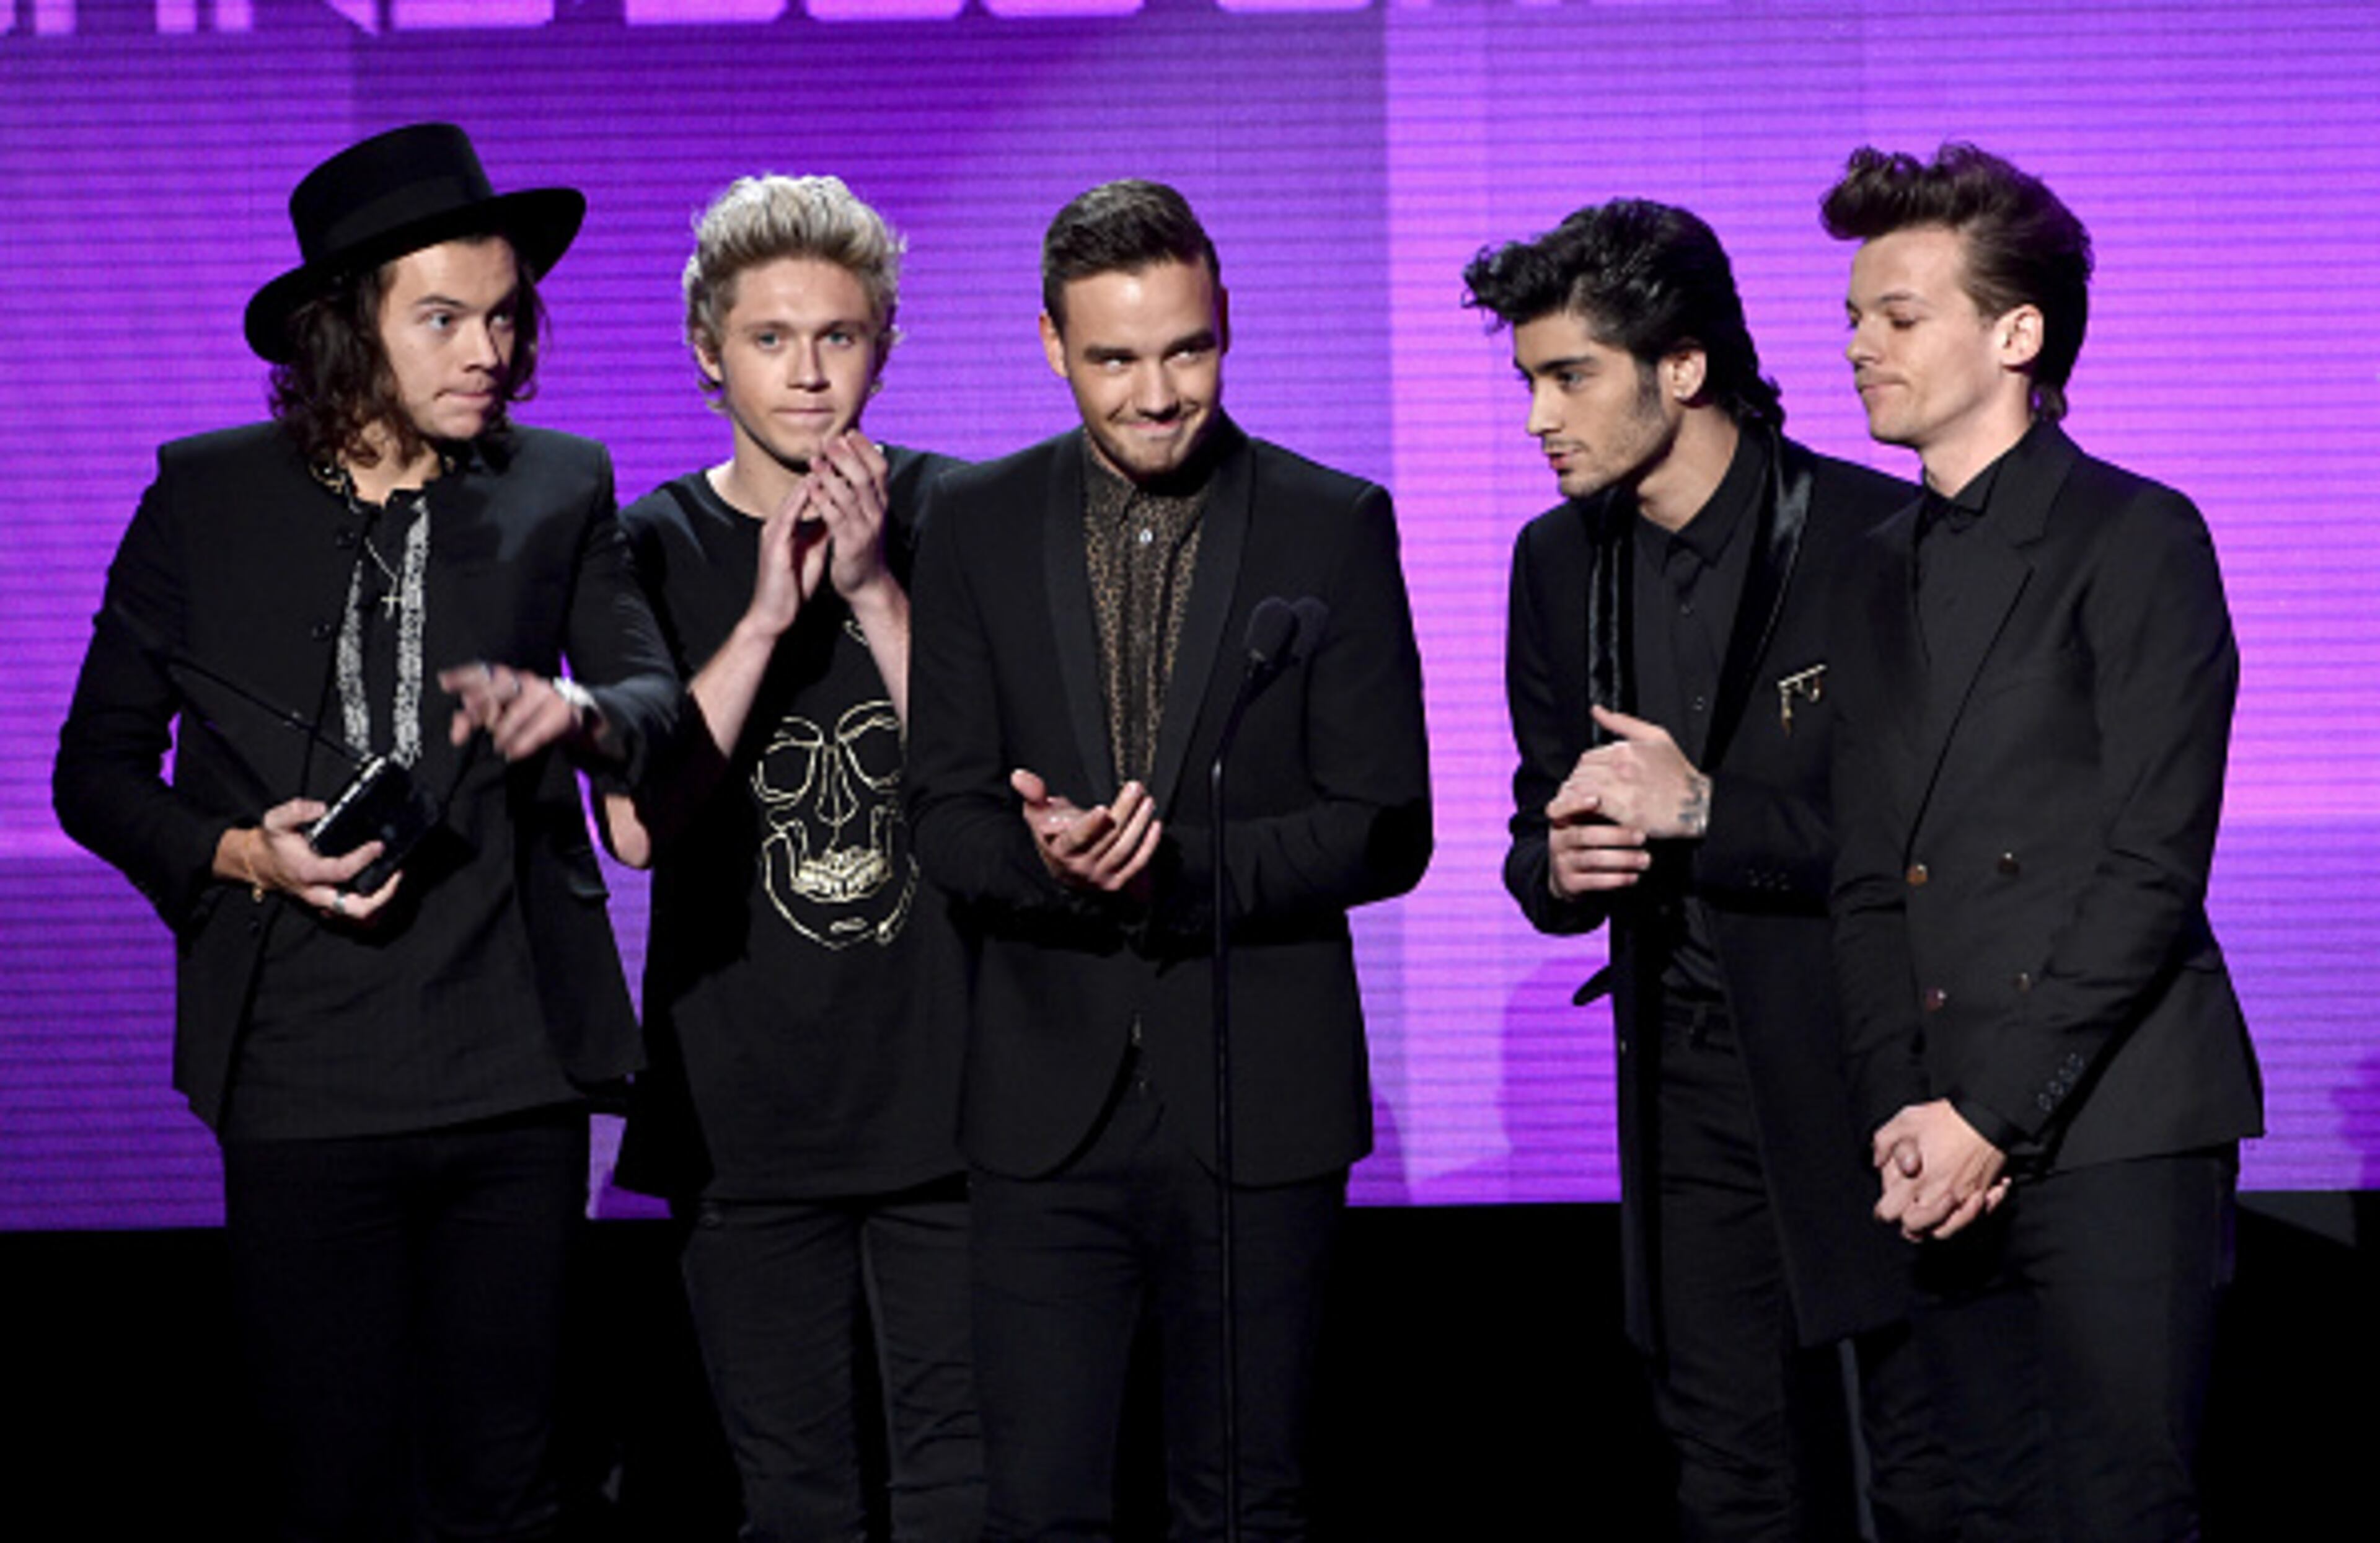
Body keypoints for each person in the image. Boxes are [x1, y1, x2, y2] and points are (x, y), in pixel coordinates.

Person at [53, 123, 684, 1540]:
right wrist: (236, 852)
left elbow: (649, 693)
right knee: (328, 1484)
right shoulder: (205, 498)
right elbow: (91, 774)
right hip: (300, 1074)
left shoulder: (557, 484)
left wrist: (582, 719)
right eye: (446, 318)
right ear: (349, 329)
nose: (491, 350)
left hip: (511, 1063)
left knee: (507, 1487)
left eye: (507, 314)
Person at [903, 179, 1431, 1541]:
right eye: (1114, 358)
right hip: (1040, 1112)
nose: (1155, 392)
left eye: (1185, 350)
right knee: (1040, 1509)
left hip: (1261, 1104)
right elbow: (944, 813)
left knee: (1246, 1502)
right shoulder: (972, 522)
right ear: (1050, 346)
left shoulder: (1333, 523)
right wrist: (1049, 864)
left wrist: (1178, 872)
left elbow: (1386, 822)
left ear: (1227, 327)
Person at [1466, 200, 1948, 1542]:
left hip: (1875, 1063)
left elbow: (1921, 847)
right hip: (1681, 1075)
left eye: (1571, 379)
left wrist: (1705, 812)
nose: (1538, 419)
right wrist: (1559, 865)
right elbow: (1531, 831)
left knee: (1918, 1463)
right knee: (1729, 1472)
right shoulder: (1556, 563)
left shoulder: (1874, 537)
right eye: (1529, 383)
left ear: (1680, 368)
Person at [1821, 143, 2263, 1541]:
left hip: (2113, 1121)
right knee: (1970, 1510)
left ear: (2018, 334)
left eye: (1900, 315)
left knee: (2118, 1508)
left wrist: (1990, 1118)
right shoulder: (1871, 567)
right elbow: (1866, 871)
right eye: (1853, 317)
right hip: (1939, 1141)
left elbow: (2149, 866)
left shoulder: (2136, 538)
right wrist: (1908, 1110)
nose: (1860, 345)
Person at [599, 174, 981, 1540]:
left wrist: (875, 590)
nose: (810, 373)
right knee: (798, 1501)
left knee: (960, 1490)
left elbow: (991, 788)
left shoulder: (959, 515)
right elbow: (638, 828)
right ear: (710, 350)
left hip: (950, 1095)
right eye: (772, 338)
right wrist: (763, 621)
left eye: (841, 336)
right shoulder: (643, 544)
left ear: (885, 341)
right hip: (743, 1109)